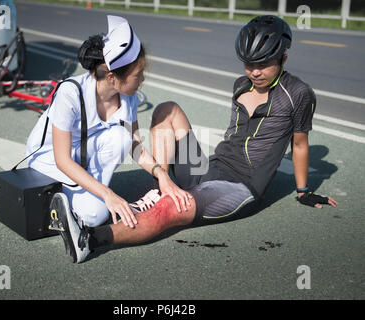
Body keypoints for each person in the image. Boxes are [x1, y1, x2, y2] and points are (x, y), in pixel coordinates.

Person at [50, 15, 339, 264]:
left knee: (174, 208)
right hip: (208, 168)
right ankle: (162, 186)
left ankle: (88, 240)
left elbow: (299, 144)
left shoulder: (298, 94)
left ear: (283, 58)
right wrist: (163, 174)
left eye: (263, 64)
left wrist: (303, 191)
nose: (254, 72)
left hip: (240, 187)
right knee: (167, 110)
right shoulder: (242, 85)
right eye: (249, 64)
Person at [26, 15, 192, 263]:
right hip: (48, 157)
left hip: (84, 151)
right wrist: (108, 194)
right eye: (138, 74)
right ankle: (79, 200)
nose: (143, 79)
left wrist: (162, 176)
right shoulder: (70, 93)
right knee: (97, 214)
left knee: (120, 138)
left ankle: (76, 200)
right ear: (113, 77)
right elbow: (62, 159)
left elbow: (135, 146)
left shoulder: (128, 98)